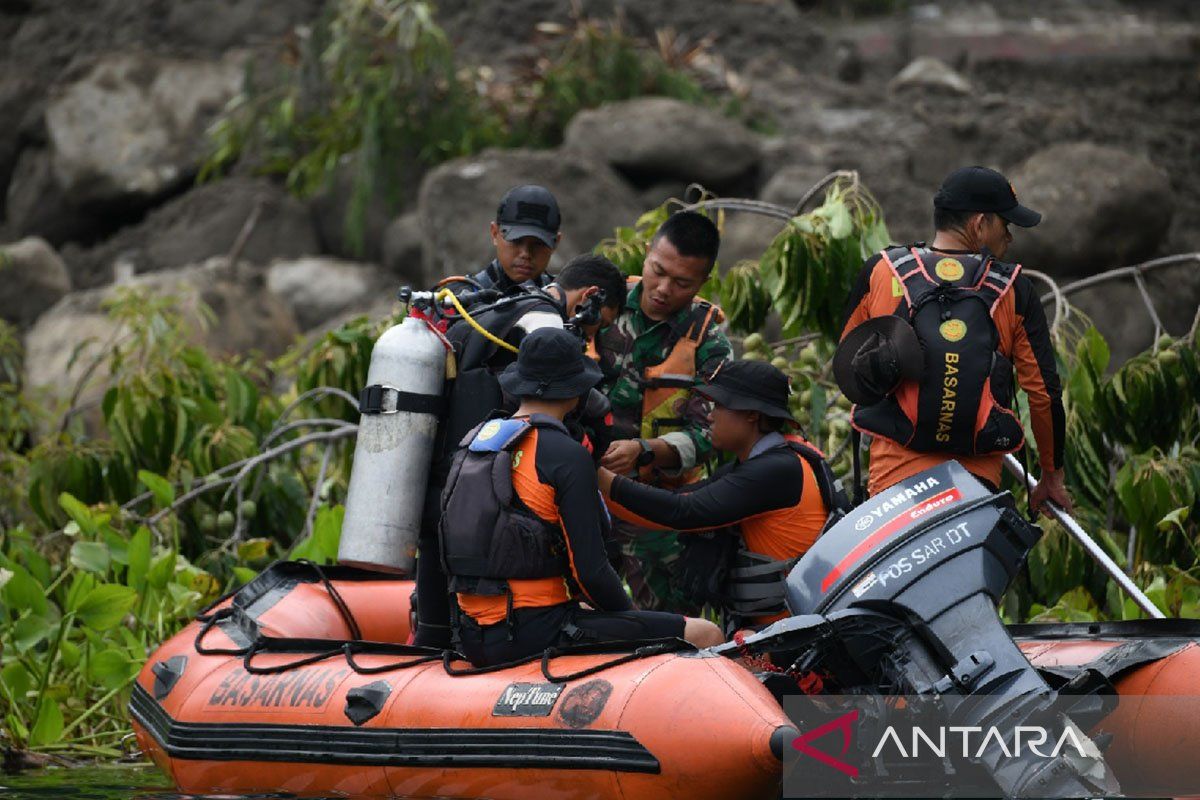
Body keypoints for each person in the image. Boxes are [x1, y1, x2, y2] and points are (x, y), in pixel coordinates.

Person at [438, 328, 724, 667]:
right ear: (577, 393)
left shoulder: (474, 443)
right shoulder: (564, 453)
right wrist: (630, 621)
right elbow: (590, 571)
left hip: (471, 634)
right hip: (533, 632)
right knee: (706, 633)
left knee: (586, 612)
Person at [412, 254, 627, 648]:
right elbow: (591, 570)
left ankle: (429, 646)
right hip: (530, 613)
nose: (594, 339)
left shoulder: (497, 309)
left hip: (448, 485)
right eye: (602, 324)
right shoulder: (544, 320)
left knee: (436, 618)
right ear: (591, 297)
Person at [836, 165, 1069, 514]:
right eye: (1005, 225)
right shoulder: (1014, 290)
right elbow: (1043, 394)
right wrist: (1051, 476)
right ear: (979, 224)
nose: (1010, 237)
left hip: (891, 486)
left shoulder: (881, 270)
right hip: (973, 486)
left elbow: (848, 366)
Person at [598, 361, 849, 630]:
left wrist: (595, 474)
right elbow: (672, 506)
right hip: (779, 632)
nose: (710, 416)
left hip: (797, 637)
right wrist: (603, 478)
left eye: (719, 405)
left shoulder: (777, 470)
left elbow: (683, 511)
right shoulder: (759, 465)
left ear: (751, 414)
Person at [595, 210, 732, 612]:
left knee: (670, 624)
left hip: (657, 506)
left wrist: (646, 449)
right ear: (647, 255)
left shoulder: (708, 340)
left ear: (702, 282)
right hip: (583, 495)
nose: (663, 288)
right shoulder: (600, 305)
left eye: (681, 283)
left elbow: (711, 433)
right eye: (658, 271)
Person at [443, 185, 562, 298]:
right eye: (516, 241)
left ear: (555, 243)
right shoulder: (455, 300)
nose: (526, 254)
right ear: (495, 233)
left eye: (538, 243)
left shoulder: (568, 302)